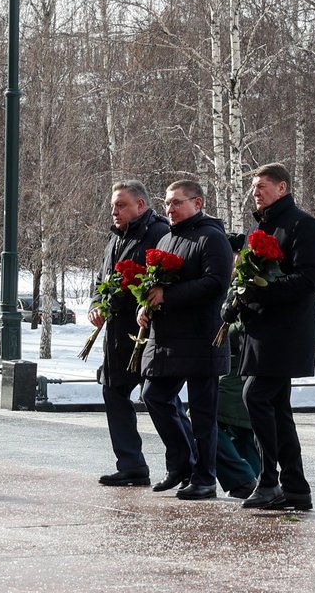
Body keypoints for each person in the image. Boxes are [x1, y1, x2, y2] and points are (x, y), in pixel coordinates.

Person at [235, 164, 315, 511]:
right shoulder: (259, 228)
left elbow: (308, 278)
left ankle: (269, 481)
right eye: (253, 187)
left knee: (255, 395)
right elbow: (246, 277)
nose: (255, 192)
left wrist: (260, 292)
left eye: (262, 186)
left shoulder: (302, 224)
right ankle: (295, 487)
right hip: (260, 330)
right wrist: (238, 298)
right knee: (276, 408)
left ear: (282, 188)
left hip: (286, 332)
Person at [139, 179, 234, 500]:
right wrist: (145, 306)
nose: (169, 208)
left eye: (177, 202)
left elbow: (216, 283)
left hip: (202, 338)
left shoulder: (212, 237)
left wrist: (167, 295)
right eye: (167, 203)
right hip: (168, 338)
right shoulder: (166, 239)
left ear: (198, 203)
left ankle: (205, 479)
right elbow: (153, 285)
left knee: (203, 415)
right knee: (154, 395)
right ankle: (181, 463)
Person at [91, 180, 171, 487]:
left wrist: (142, 305)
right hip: (117, 334)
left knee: (160, 398)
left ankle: (185, 463)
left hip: (148, 332)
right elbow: (102, 278)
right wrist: (97, 305)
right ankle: (131, 464)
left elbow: (162, 280)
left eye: (121, 205)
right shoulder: (115, 236)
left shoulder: (158, 233)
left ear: (140, 205)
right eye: (113, 206)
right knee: (113, 391)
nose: (114, 211)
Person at [215, 325, 263, 497]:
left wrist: (218, 328)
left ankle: (243, 480)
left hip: (236, 377)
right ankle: (255, 485)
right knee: (242, 434)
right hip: (241, 373)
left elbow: (244, 327)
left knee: (201, 423)